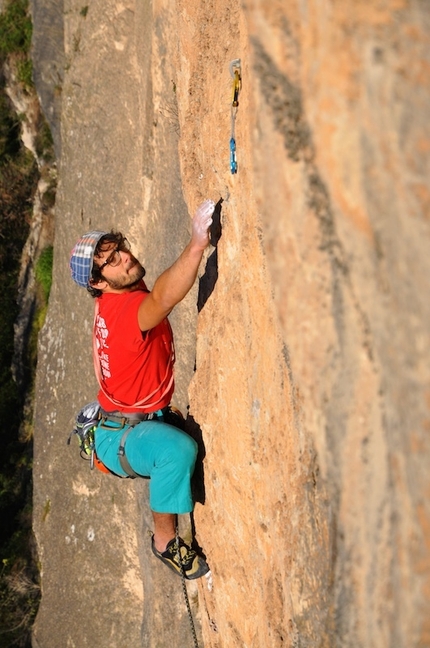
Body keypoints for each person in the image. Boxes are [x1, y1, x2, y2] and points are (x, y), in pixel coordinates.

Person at [69, 198, 215, 580]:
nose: (125, 259)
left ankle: (154, 423)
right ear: (97, 283)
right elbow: (165, 298)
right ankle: (165, 542)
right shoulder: (125, 312)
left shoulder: (112, 297)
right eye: (111, 261)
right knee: (176, 450)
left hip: (122, 419)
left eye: (120, 249)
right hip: (122, 435)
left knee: (177, 428)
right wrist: (197, 243)